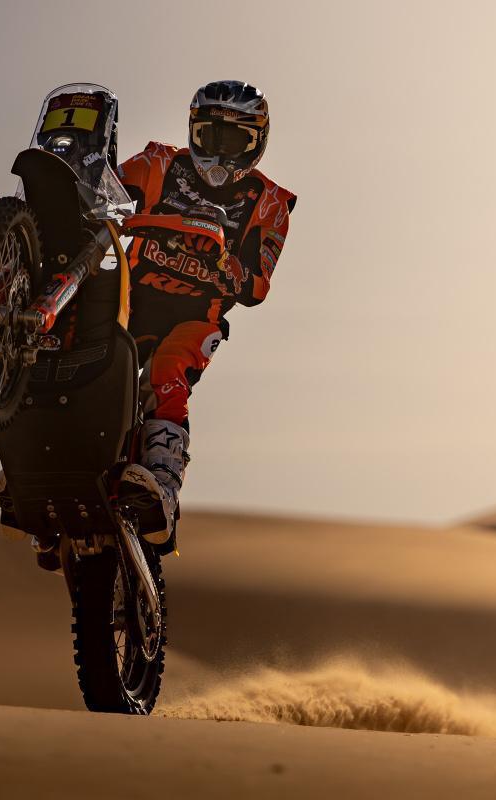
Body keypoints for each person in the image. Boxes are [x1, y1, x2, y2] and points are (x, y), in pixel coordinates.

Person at [112, 80, 296, 550]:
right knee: (71, 345)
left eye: (234, 142)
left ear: (256, 144)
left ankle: (162, 489)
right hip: (127, 300)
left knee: (168, 372)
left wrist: (230, 268)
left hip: (196, 315)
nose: (219, 153)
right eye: (210, 137)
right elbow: (102, 197)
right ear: (193, 132)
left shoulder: (270, 202)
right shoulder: (157, 163)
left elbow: (258, 285)